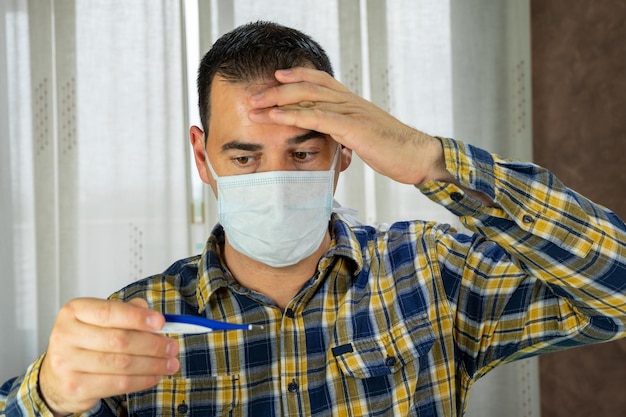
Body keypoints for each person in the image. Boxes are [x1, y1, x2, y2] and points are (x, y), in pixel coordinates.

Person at [1, 20, 625, 417]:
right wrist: (49, 397)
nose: (275, 181)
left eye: (303, 152)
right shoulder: (142, 322)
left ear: (344, 149)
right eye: (244, 156)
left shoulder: (434, 273)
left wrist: (431, 160)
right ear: (202, 155)